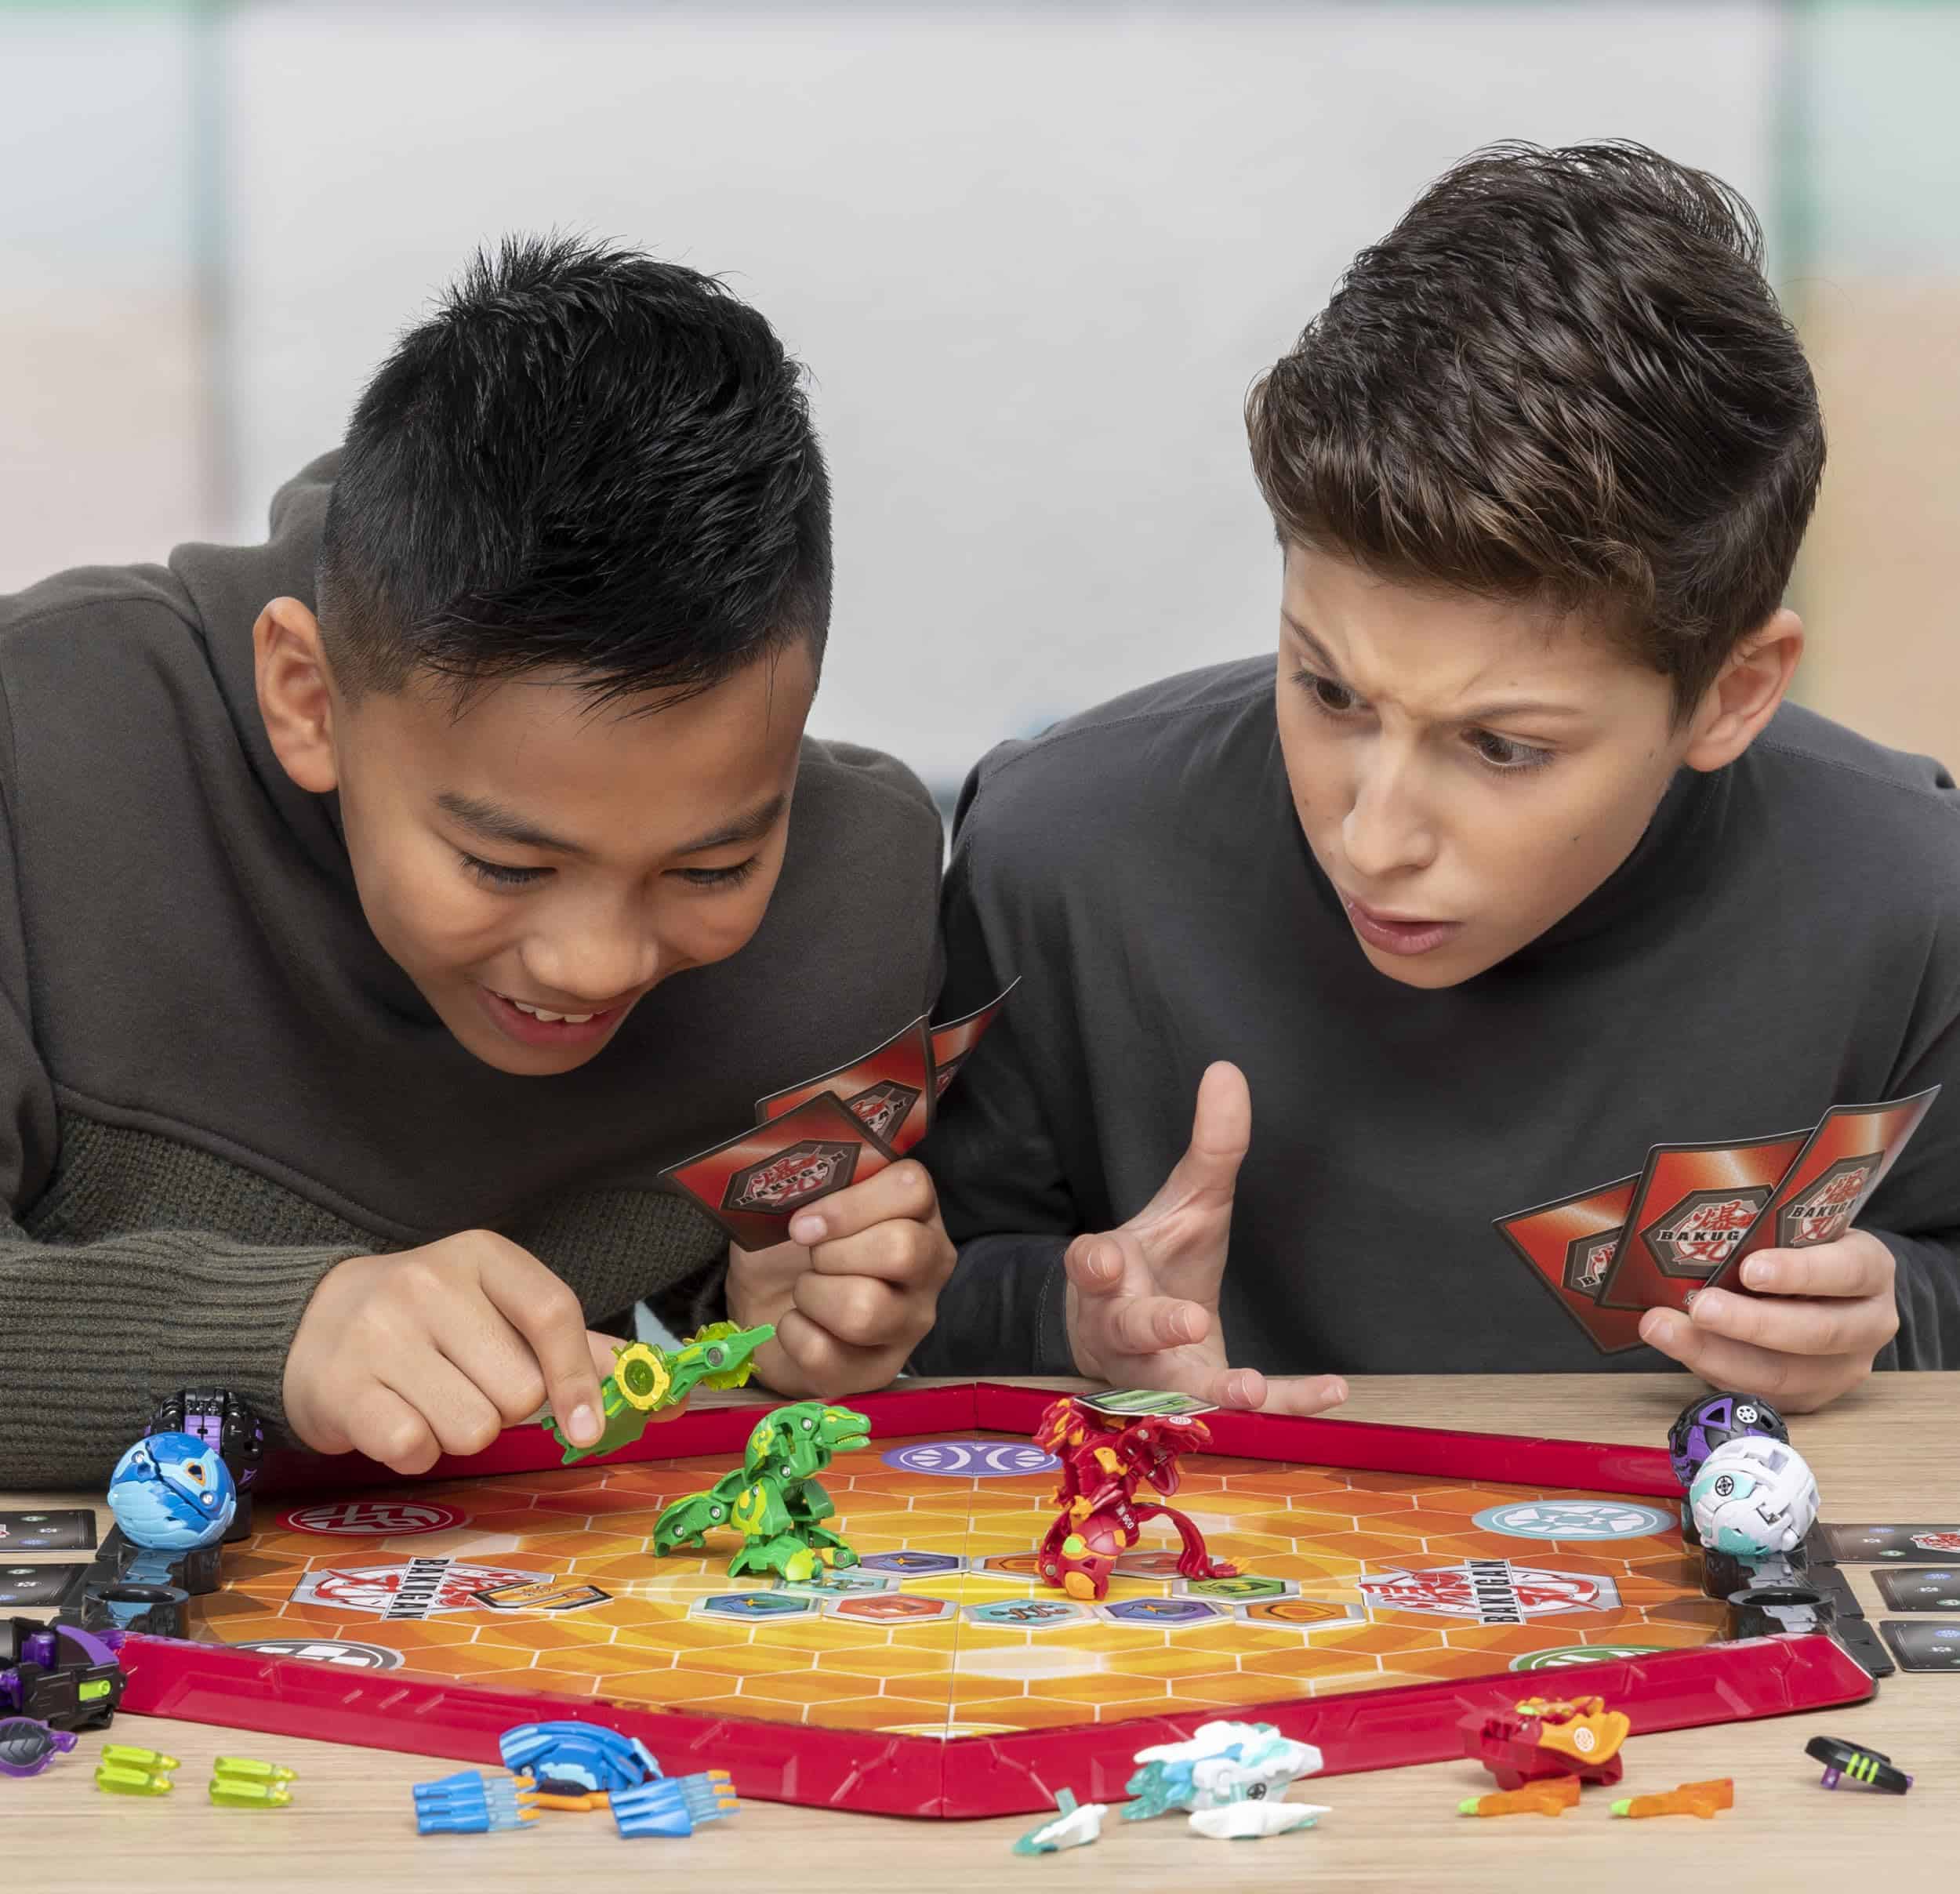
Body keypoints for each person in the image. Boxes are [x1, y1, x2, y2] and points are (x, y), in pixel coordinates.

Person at [914, 142, 1960, 1414]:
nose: (1374, 838)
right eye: (1329, 691)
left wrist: (1884, 1317)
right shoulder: (1056, 857)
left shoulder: (1914, 897)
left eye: (1503, 746)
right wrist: (1068, 1317)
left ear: (1735, 693)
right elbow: (897, 1302)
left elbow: (1940, 1275)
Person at [0, 237, 952, 1486]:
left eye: (711, 869)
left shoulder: (859, 909)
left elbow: (725, 1351)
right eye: (505, 865)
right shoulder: (36, 745)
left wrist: (756, 1323)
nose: (593, 964)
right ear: (307, 698)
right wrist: (274, 1336)